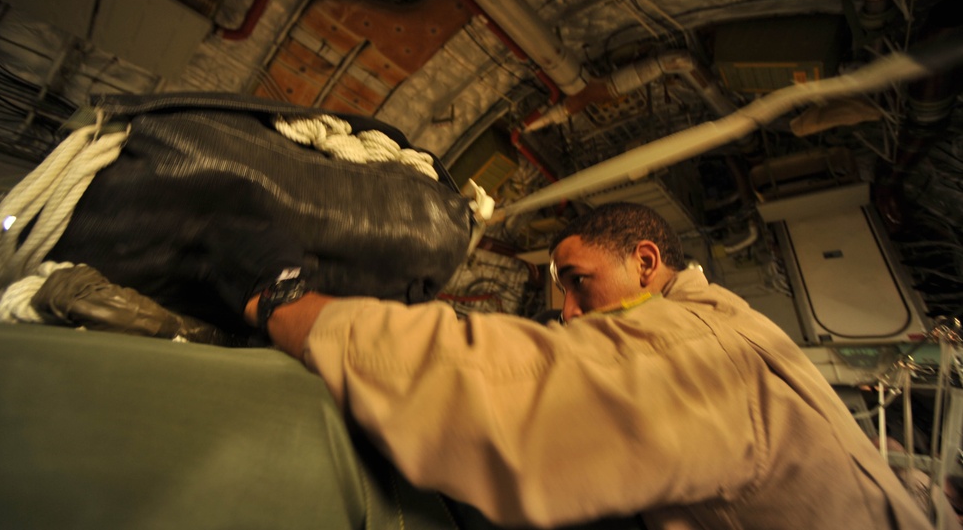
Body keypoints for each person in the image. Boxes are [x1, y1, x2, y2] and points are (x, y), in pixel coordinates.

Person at [245, 202, 932, 529]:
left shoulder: (694, 342)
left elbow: (493, 394)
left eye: (578, 281)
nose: (569, 311)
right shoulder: (731, 322)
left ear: (643, 262)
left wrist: (282, 302)